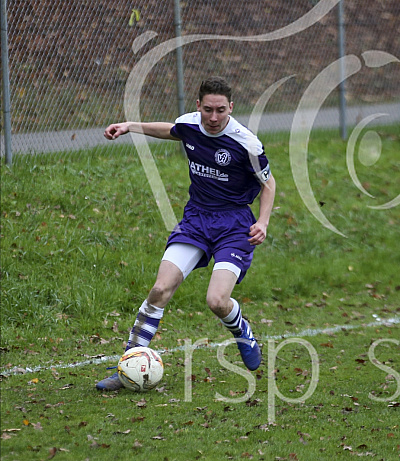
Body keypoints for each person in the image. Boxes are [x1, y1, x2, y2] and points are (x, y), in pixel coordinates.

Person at [96, 76, 276, 391]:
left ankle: (241, 329)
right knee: (160, 289)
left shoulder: (246, 143)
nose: (215, 117)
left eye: (221, 110)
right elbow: (170, 130)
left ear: (231, 107)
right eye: (208, 110)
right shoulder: (190, 125)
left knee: (217, 301)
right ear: (198, 106)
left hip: (234, 226)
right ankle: (129, 365)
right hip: (196, 219)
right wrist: (129, 125)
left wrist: (262, 222)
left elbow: (268, 184)